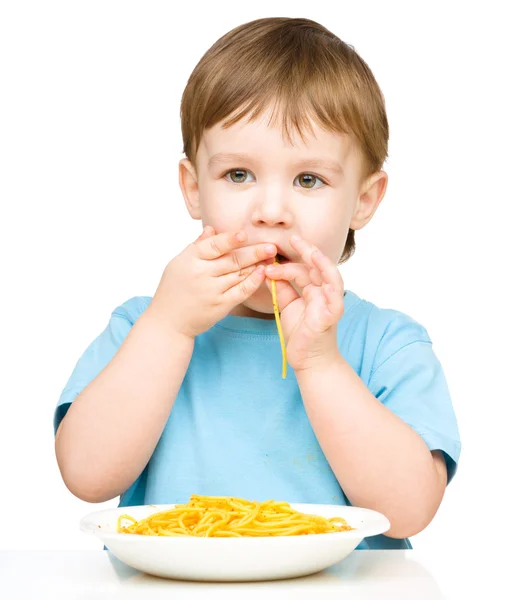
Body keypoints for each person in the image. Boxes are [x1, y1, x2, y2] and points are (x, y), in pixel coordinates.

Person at [53, 17, 460, 550]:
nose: (271, 212)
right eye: (238, 175)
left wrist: (320, 361)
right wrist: (169, 329)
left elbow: (408, 512)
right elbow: (86, 476)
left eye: (308, 179)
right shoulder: (143, 328)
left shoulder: (387, 344)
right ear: (193, 187)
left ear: (364, 199)